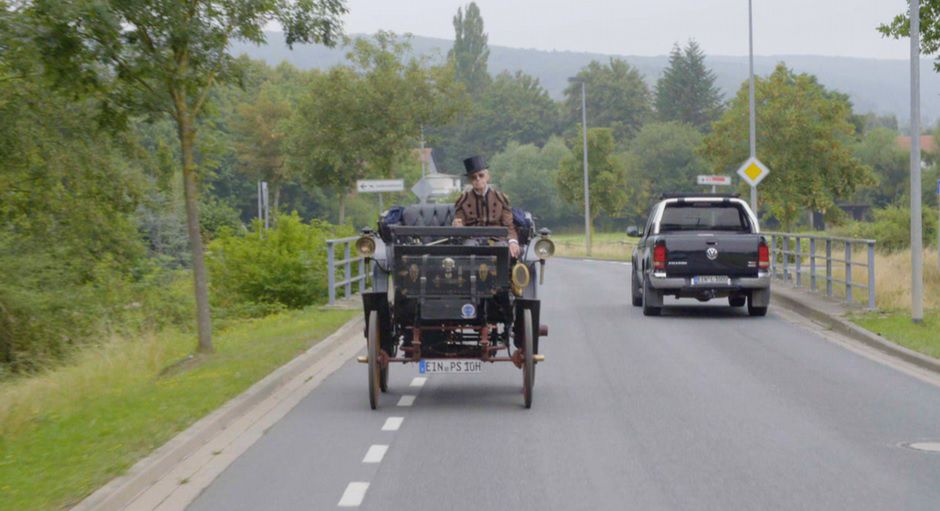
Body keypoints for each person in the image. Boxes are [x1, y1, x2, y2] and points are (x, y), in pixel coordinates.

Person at [452, 155, 521, 258]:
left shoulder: (500, 199)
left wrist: (513, 241)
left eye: (481, 175)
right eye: (473, 177)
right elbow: (460, 225)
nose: (478, 179)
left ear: (488, 176)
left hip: (497, 239)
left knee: (502, 248)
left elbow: (509, 226)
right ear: (470, 180)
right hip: (472, 239)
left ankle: (502, 274)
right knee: (468, 247)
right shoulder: (463, 201)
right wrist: (457, 226)